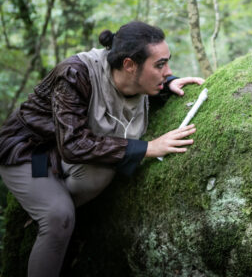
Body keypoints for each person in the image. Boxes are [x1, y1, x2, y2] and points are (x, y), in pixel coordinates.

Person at [0, 21, 204, 277]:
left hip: (66, 157)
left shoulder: (133, 80)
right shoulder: (75, 74)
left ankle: (53, 208)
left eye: (167, 63)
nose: (167, 70)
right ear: (129, 65)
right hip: (34, 152)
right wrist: (147, 148)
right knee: (58, 215)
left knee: (103, 171)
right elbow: (74, 144)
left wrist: (169, 83)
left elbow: (126, 94)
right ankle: (47, 212)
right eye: (160, 65)